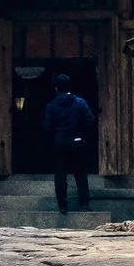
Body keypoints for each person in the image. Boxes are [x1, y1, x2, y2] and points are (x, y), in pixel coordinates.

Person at [41, 73, 96, 214]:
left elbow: (47, 126)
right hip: (77, 141)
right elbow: (89, 119)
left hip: (59, 142)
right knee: (80, 173)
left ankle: (62, 205)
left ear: (56, 89)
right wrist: (82, 134)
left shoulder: (51, 105)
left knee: (60, 173)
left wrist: (52, 140)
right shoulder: (79, 102)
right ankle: (84, 204)